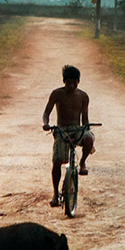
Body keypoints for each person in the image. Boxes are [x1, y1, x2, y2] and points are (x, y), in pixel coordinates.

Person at [42, 64, 95, 206]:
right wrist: (46, 124)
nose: (72, 86)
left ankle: (83, 162)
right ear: (63, 81)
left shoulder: (83, 96)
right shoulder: (56, 94)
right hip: (62, 130)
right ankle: (55, 193)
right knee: (57, 161)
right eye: (68, 83)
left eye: (74, 83)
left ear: (79, 81)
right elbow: (47, 112)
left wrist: (86, 128)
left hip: (77, 129)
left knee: (89, 138)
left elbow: (85, 117)